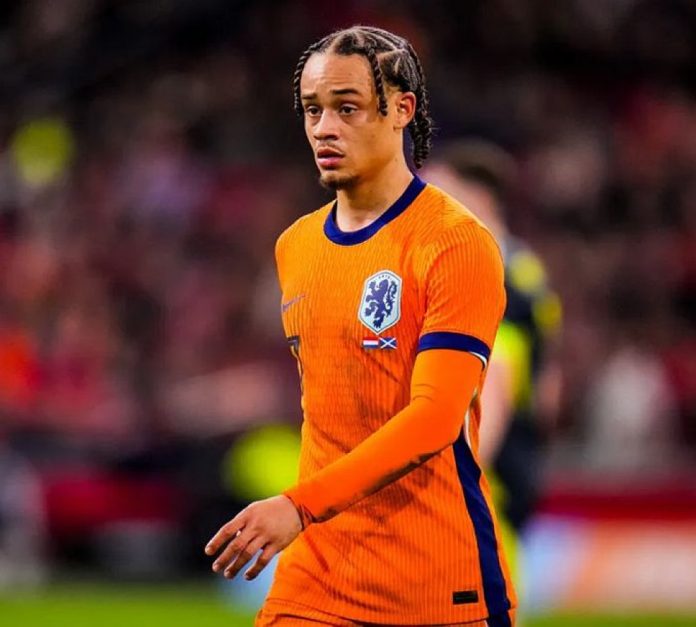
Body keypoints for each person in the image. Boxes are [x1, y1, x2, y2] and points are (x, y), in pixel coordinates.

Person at [205, 26, 516, 627]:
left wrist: (299, 506)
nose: (325, 128)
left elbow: (434, 419)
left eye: (347, 108)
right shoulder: (296, 246)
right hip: (317, 574)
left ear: (401, 110)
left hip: (432, 583)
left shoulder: (456, 243)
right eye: (313, 110)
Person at [423, 141, 562, 610]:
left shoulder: (493, 276)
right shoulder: (526, 268)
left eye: (439, 195)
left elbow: (496, 374)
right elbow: (547, 384)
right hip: (515, 463)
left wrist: (463, 467)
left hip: (486, 476)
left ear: (477, 199)